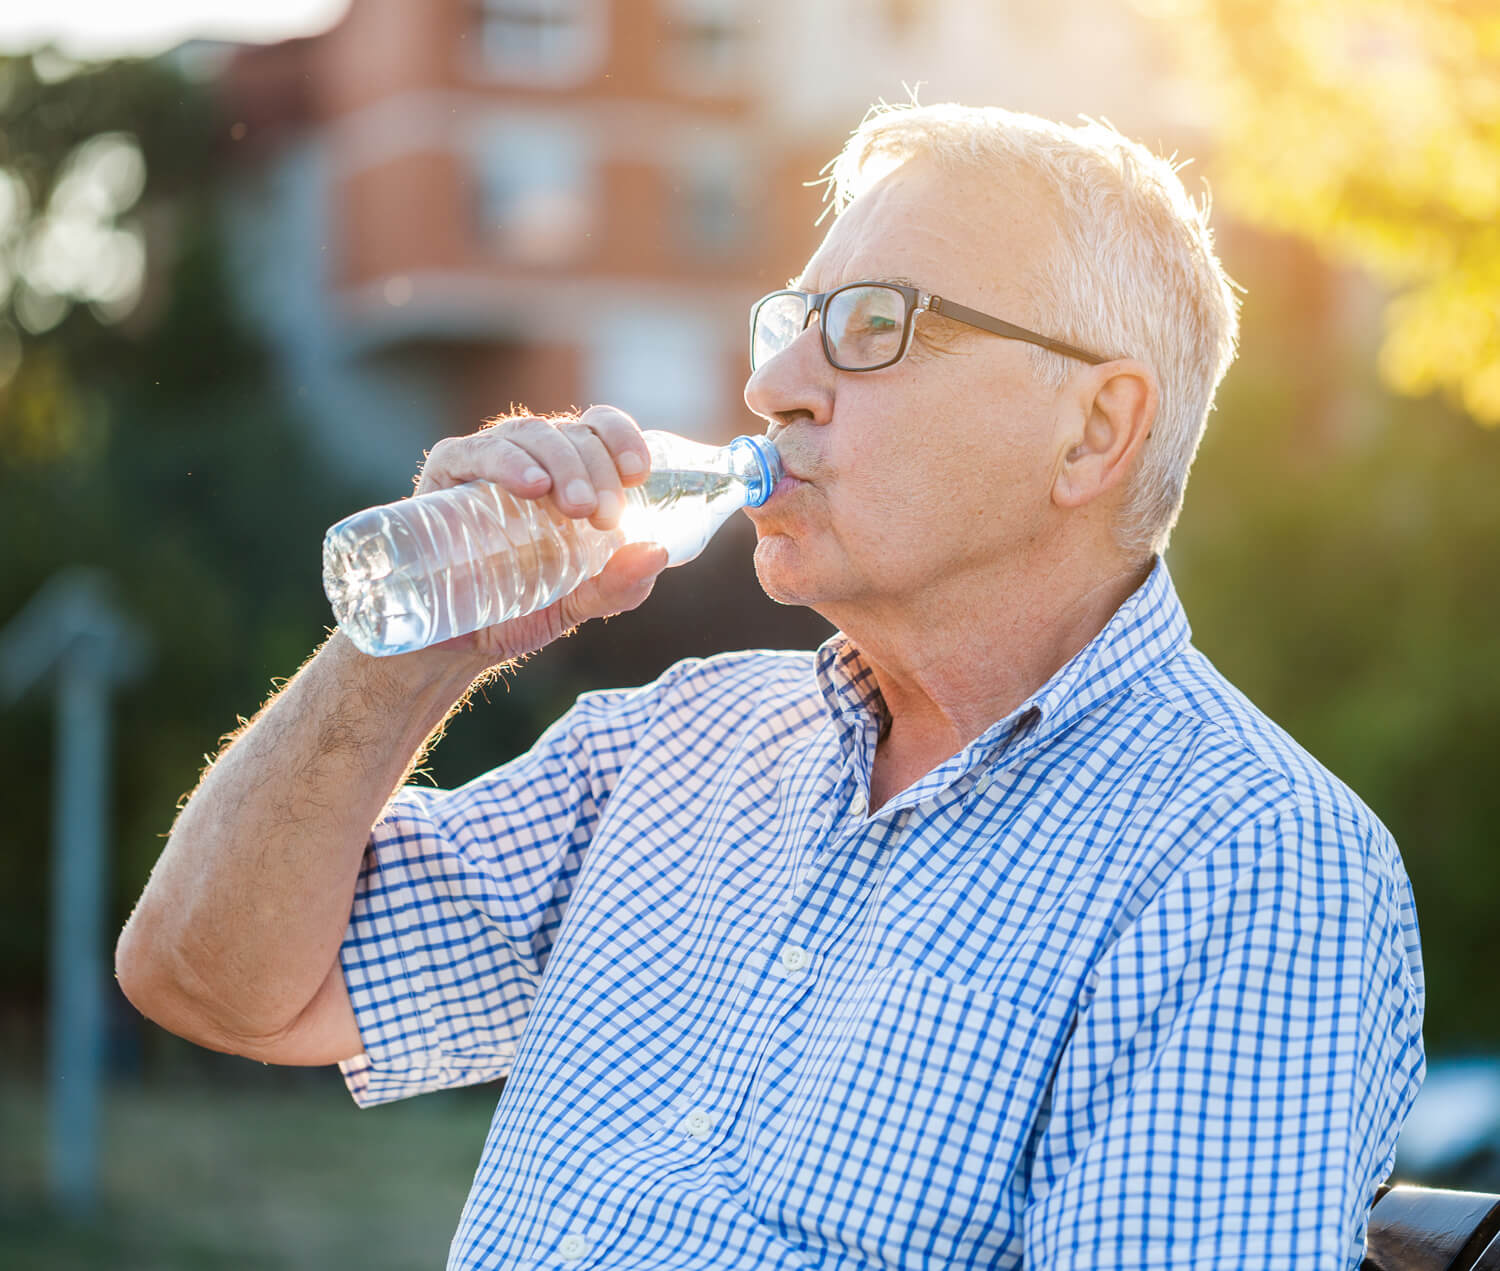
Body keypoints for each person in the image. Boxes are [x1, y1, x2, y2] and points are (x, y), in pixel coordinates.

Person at [116, 103, 1424, 1270]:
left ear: (1092, 431)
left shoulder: (1253, 867)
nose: (770, 385)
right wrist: (413, 652)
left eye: (871, 327)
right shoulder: (676, 742)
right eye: (789, 324)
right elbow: (209, 979)